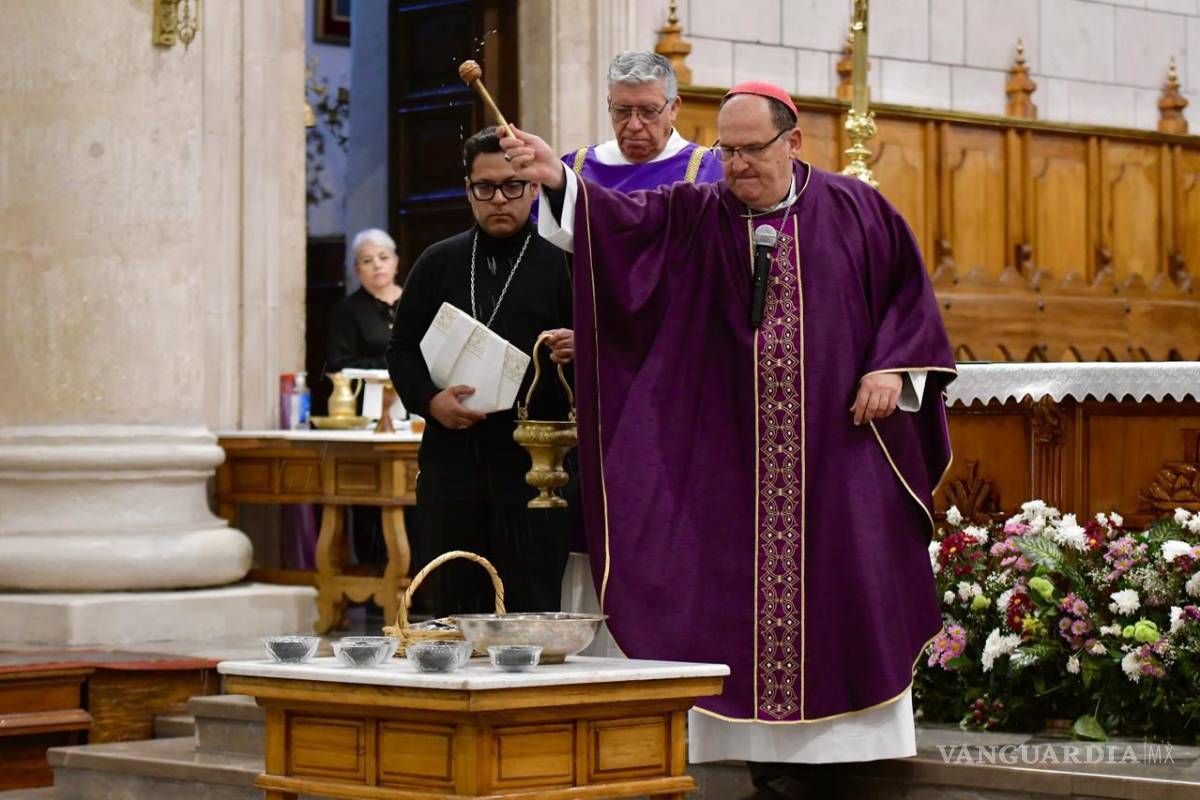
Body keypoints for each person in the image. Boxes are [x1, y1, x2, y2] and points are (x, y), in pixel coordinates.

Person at [500, 81, 955, 798]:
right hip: (725, 457)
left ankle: (843, 753)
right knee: (713, 595)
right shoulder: (693, 213)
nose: (737, 166)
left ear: (793, 142)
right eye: (727, 151)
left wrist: (892, 368)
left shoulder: (858, 210)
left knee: (851, 586)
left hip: (839, 452)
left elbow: (910, 304)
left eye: (751, 151)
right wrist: (561, 180)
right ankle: (746, 754)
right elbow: (620, 224)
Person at [387, 126, 574, 616]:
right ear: (467, 189)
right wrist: (430, 401)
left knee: (531, 605)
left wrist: (580, 348)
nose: (499, 199)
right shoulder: (437, 262)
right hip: (454, 460)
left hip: (535, 468)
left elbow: (606, 353)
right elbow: (401, 351)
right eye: (484, 187)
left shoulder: (564, 262)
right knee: (455, 604)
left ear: (534, 189)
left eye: (513, 186)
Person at [564, 51, 722, 191]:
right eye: (622, 111)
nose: (634, 126)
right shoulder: (577, 167)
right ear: (609, 104)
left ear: (674, 108)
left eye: (648, 112)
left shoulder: (707, 172)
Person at [328, 228, 403, 372]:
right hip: (369, 392)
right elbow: (339, 362)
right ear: (357, 270)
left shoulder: (416, 301)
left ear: (396, 263)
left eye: (384, 257)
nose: (377, 265)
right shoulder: (348, 309)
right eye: (367, 260)